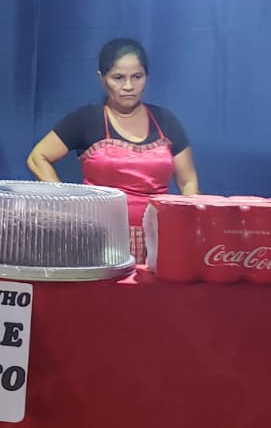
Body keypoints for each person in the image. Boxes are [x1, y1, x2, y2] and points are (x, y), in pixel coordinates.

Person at [26, 38, 199, 265]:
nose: (129, 86)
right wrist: (67, 203)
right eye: (118, 78)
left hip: (159, 242)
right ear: (102, 78)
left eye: (137, 77)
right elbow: (37, 158)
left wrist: (187, 225)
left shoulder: (164, 120)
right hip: (98, 241)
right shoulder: (87, 120)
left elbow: (188, 181)